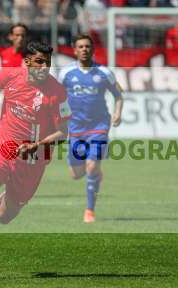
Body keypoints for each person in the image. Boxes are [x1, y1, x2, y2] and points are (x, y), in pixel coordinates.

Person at [0, 41, 71, 274]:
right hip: (5, 146)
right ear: (27, 61)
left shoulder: (57, 92)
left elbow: (63, 133)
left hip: (34, 158)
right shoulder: (9, 75)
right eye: (39, 61)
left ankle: (8, 195)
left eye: (47, 63)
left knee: (4, 218)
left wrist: (37, 146)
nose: (44, 67)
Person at [58, 34, 124, 223]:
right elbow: (56, 96)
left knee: (92, 165)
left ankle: (89, 210)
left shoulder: (104, 72)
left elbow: (119, 95)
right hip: (75, 128)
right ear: (75, 50)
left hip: (99, 126)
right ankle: (94, 173)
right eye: (80, 47)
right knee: (76, 174)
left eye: (87, 46)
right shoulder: (66, 73)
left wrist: (118, 113)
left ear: (92, 49)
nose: (84, 49)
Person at [0, 23, 28, 101]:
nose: (20, 38)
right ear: (10, 37)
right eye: (17, 35)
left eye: (23, 36)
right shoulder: (4, 54)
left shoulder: (32, 56)